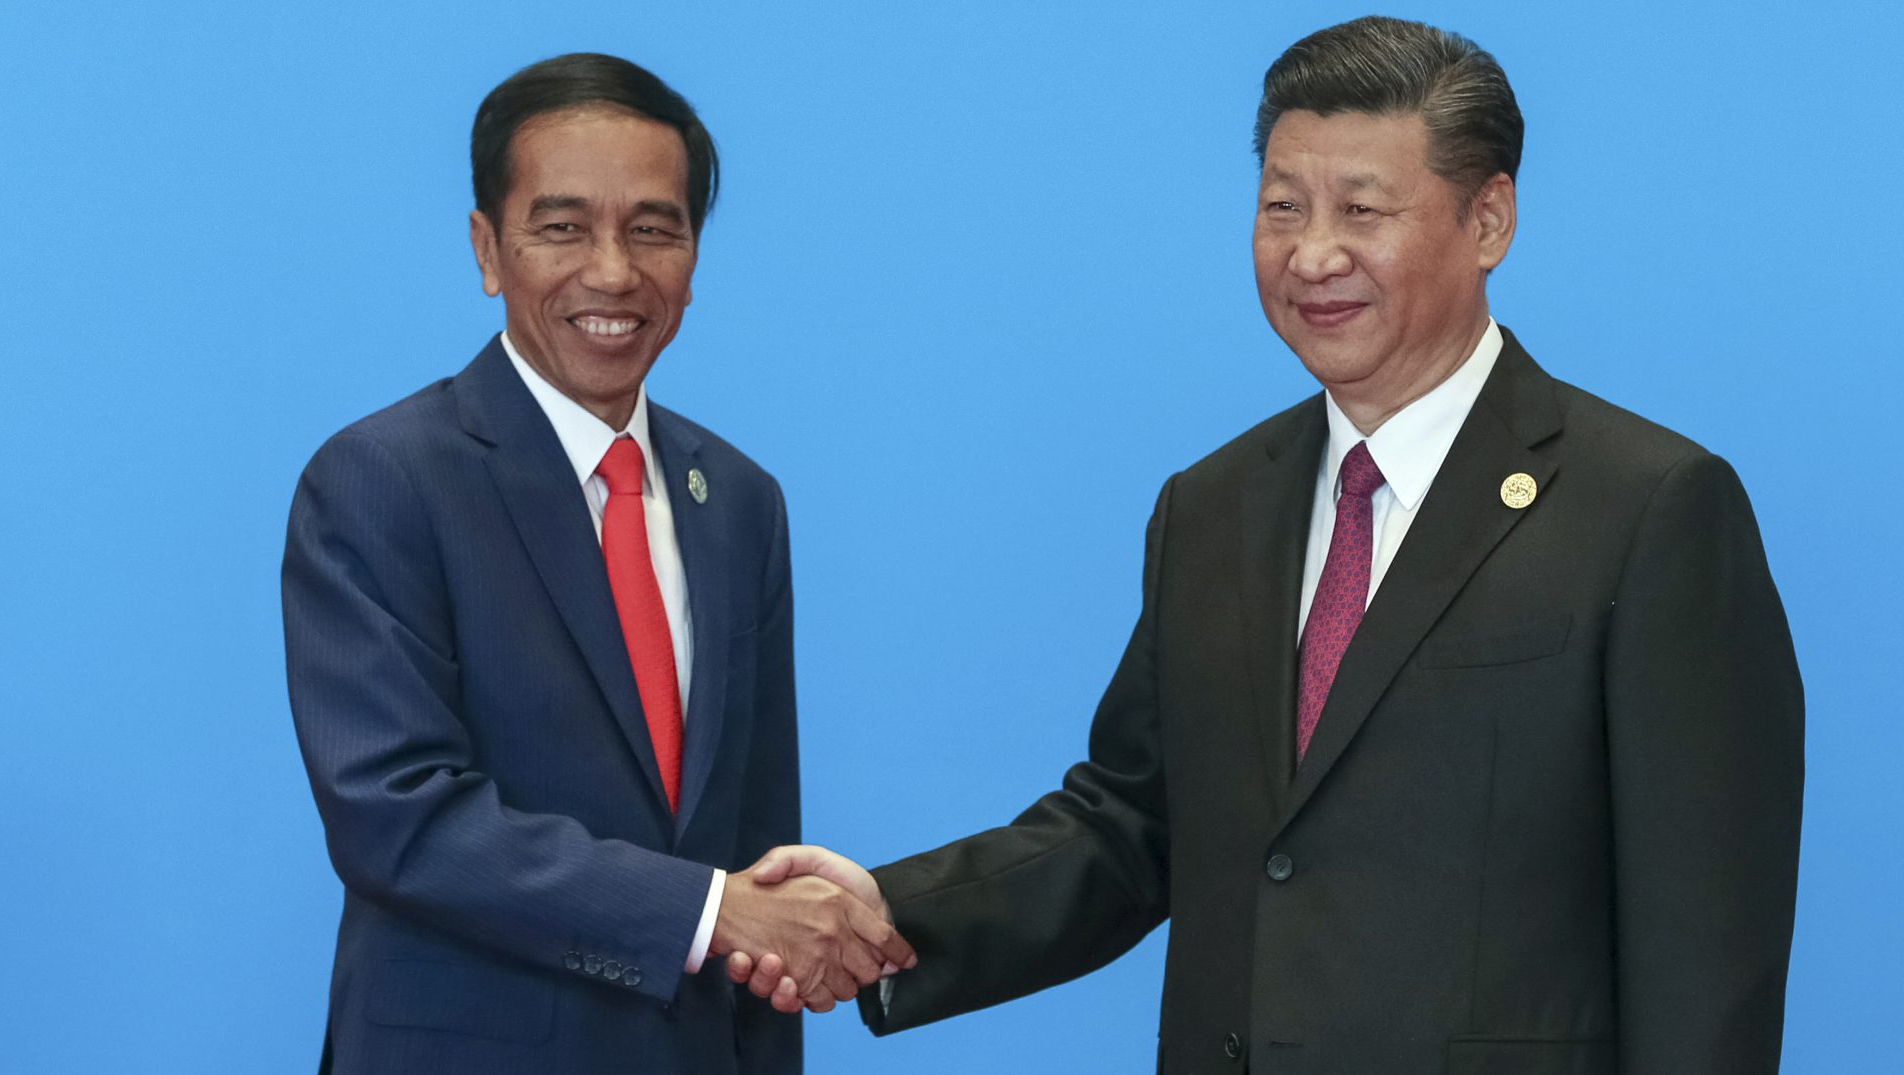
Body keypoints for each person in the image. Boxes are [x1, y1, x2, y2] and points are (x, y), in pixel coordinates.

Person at [730, 16, 1803, 1073]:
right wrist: (886, 911)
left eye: (1360, 209)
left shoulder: (1647, 508)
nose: (1311, 253)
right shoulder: (1211, 505)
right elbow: (1131, 824)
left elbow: (1704, 942)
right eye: (1280, 207)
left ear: (1488, 220)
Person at [281, 53, 911, 1074]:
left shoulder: (738, 501)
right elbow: (397, 818)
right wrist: (710, 912)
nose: (612, 271)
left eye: (652, 227)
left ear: (694, 255)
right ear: (488, 248)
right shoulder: (383, 479)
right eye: (562, 227)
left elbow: (755, 844)